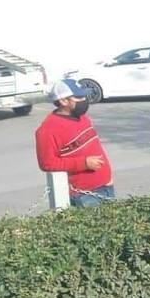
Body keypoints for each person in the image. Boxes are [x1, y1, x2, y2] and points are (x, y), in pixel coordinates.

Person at [35, 79, 114, 207]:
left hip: (106, 186)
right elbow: (47, 163)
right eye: (79, 97)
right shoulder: (48, 130)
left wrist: (108, 177)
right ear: (63, 101)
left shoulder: (83, 118)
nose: (84, 100)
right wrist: (84, 163)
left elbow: (95, 147)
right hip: (84, 195)